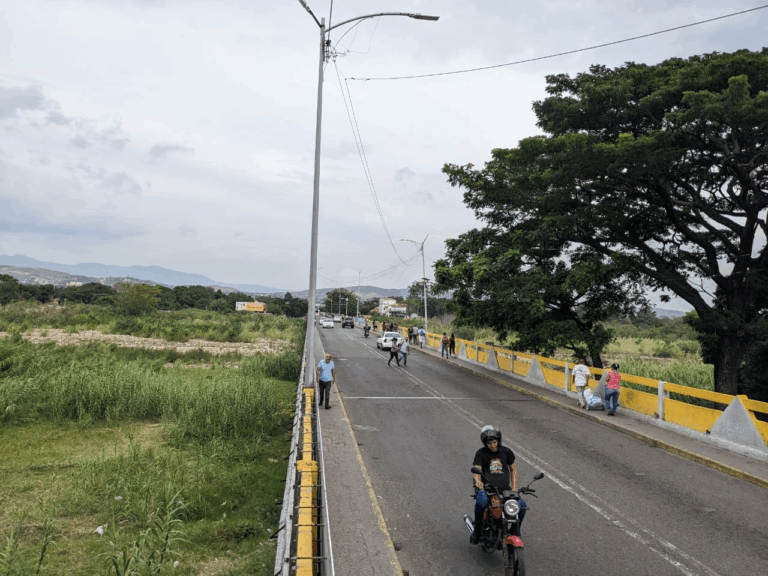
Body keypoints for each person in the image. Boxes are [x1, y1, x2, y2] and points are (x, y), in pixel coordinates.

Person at [470, 425, 525, 544]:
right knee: (481, 502)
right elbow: (476, 469)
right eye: (489, 443)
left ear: (498, 441)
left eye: (494, 442)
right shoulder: (480, 453)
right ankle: (477, 530)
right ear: (485, 443)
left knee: (522, 505)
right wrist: (478, 483)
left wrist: (514, 488)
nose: (492, 445)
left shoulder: (506, 452)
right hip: (487, 489)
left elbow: (513, 469)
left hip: (505, 490)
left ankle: (515, 530)